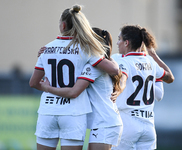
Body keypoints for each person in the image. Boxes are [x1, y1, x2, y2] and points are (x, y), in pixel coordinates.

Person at [29, 5, 119, 150]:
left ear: (62, 25)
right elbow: (114, 70)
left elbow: (33, 82)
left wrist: (47, 88)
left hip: (48, 111)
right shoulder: (85, 49)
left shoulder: (46, 48)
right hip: (73, 113)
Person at [110, 25, 174, 150]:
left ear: (126, 43)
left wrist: (118, 90)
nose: (118, 43)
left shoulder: (121, 60)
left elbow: (123, 79)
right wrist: (154, 55)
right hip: (148, 126)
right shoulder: (150, 61)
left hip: (127, 123)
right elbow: (170, 77)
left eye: (119, 39)